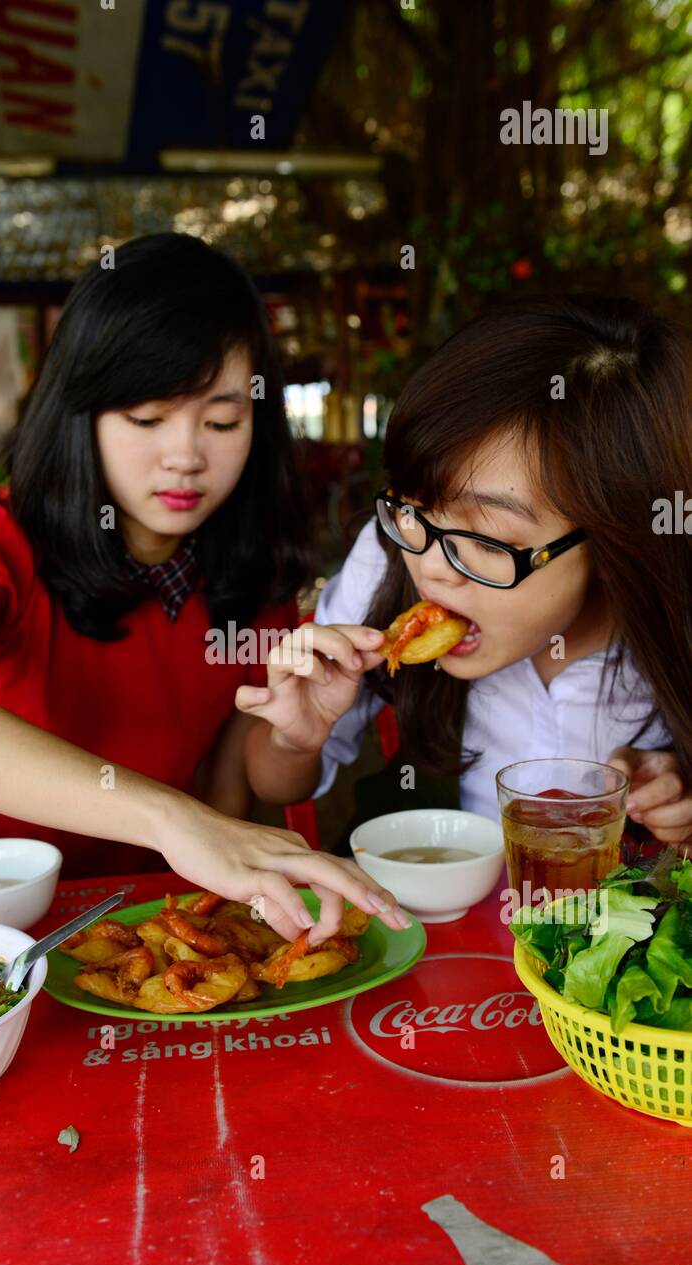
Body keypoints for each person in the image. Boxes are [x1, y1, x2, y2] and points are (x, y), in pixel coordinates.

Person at [0, 234, 407, 943]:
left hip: (160, 925)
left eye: (222, 421)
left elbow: (248, 784)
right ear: (83, 412)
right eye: (146, 418)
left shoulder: (246, 564)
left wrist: (299, 735)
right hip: (3, 930)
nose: (186, 456)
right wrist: (174, 819)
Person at [239, 296, 692, 939]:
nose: (436, 569)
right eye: (417, 509)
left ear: (615, 539)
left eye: (487, 540)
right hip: (437, 950)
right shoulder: (393, 553)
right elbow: (276, 777)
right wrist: (295, 736)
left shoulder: (674, 611)